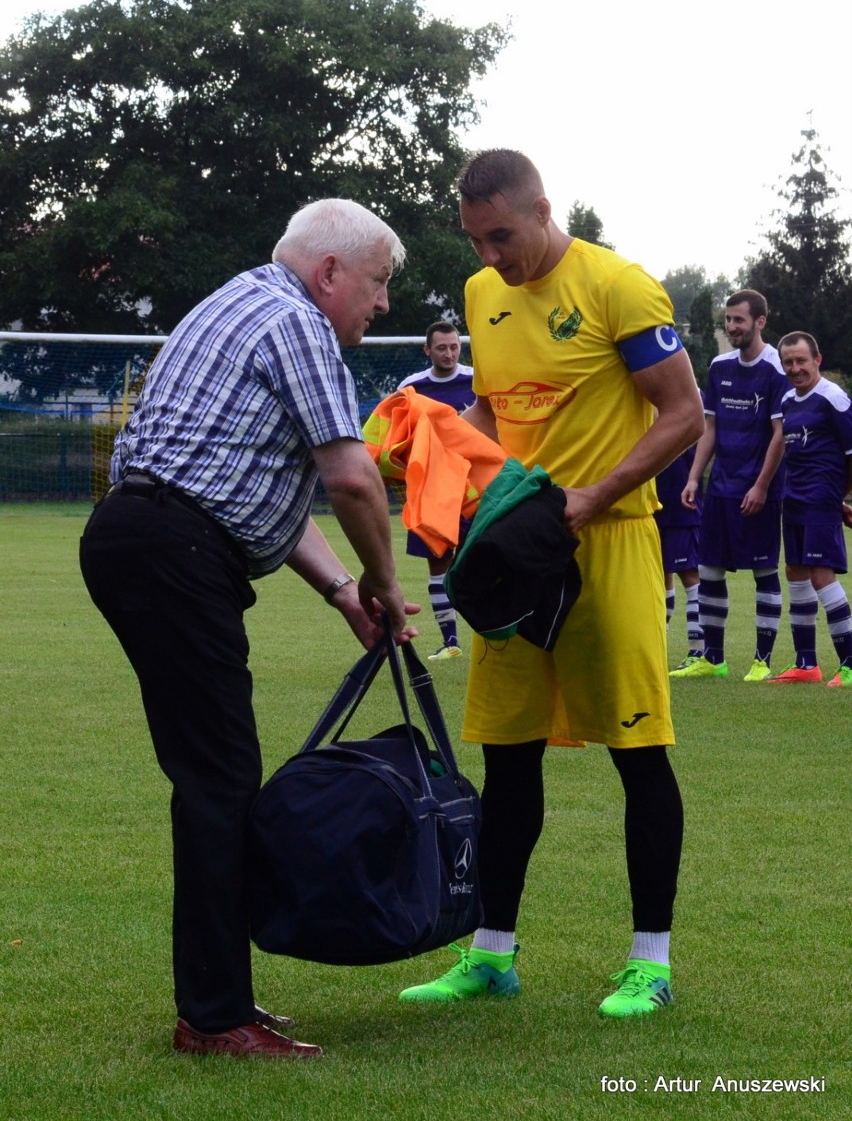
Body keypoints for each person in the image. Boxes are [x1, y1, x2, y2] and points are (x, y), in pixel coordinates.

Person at [79, 199, 419, 1058]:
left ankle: (223, 1000)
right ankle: (214, 1014)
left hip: (149, 533)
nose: (383, 306)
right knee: (218, 780)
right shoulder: (298, 322)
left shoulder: (238, 302)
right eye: (378, 284)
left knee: (217, 776)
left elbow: (258, 486)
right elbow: (351, 481)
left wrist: (344, 590)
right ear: (329, 272)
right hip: (175, 547)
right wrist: (385, 584)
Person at [399, 149, 704, 1017]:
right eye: (476, 239)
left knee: (639, 754)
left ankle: (651, 961)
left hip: (607, 541)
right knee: (507, 755)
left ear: (541, 208)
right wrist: (440, 452)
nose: (491, 255)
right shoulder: (479, 293)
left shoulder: (620, 286)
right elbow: (494, 410)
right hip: (512, 556)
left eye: (501, 235)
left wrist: (592, 493)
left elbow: (684, 413)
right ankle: (492, 952)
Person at [673, 290, 788, 681]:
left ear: (760, 322)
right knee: (709, 569)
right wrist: (694, 477)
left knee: (764, 571)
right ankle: (713, 658)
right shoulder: (720, 366)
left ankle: (762, 660)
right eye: (729, 320)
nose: (732, 327)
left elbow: (779, 434)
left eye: (739, 320)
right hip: (720, 488)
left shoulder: (777, 369)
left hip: (759, 491)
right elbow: (710, 426)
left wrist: (760, 486)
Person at [766, 332, 852, 685]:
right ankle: (806, 664)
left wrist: (844, 498)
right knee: (795, 572)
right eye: (788, 362)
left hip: (822, 498)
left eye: (802, 360)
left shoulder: (834, 398)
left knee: (821, 575)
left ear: (817, 359)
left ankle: (849, 663)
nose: (795, 368)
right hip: (795, 499)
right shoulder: (787, 400)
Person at [397, 321, 475, 659]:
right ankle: (451, 642)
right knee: (438, 564)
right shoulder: (411, 388)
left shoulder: (477, 381)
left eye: (454, 347)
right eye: (441, 348)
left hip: (475, 488)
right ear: (427, 350)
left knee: (481, 563)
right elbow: (397, 436)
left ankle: (491, 638)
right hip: (431, 491)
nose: (449, 353)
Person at [655, 444, 704, 664]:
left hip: (681, 501)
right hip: (651, 501)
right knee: (659, 572)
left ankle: (698, 650)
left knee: (689, 572)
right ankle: (658, 645)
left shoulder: (686, 410)